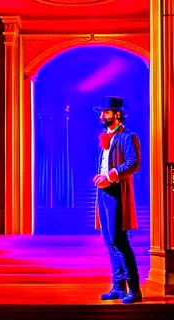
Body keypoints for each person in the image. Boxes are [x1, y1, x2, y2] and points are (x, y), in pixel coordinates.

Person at [92, 96, 142, 304]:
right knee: (109, 242)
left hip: (116, 193)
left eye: (106, 112)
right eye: (102, 112)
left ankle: (135, 290)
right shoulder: (107, 137)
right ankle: (118, 286)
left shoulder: (127, 137)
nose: (102, 116)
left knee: (120, 241)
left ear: (117, 114)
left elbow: (134, 163)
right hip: (103, 194)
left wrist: (110, 175)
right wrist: (101, 177)